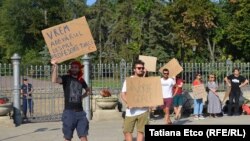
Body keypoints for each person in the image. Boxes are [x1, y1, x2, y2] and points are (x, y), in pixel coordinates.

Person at [51, 60, 90, 141]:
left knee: (84, 136)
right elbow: (54, 80)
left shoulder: (81, 80)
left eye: (76, 67)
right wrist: (55, 66)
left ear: (79, 69)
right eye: (72, 67)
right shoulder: (66, 78)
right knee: (67, 138)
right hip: (69, 113)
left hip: (81, 113)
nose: (74, 69)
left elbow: (88, 91)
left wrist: (82, 97)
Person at [121, 60, 149, 141]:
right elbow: (123, 94)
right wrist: (128, 102)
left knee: (141, 131)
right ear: (134, 69)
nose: (141, 69)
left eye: (142, 68)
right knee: (126, 131)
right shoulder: (129, 80)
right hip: (131, 111)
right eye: (139, 68)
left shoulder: (147, 80)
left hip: (143, 110)